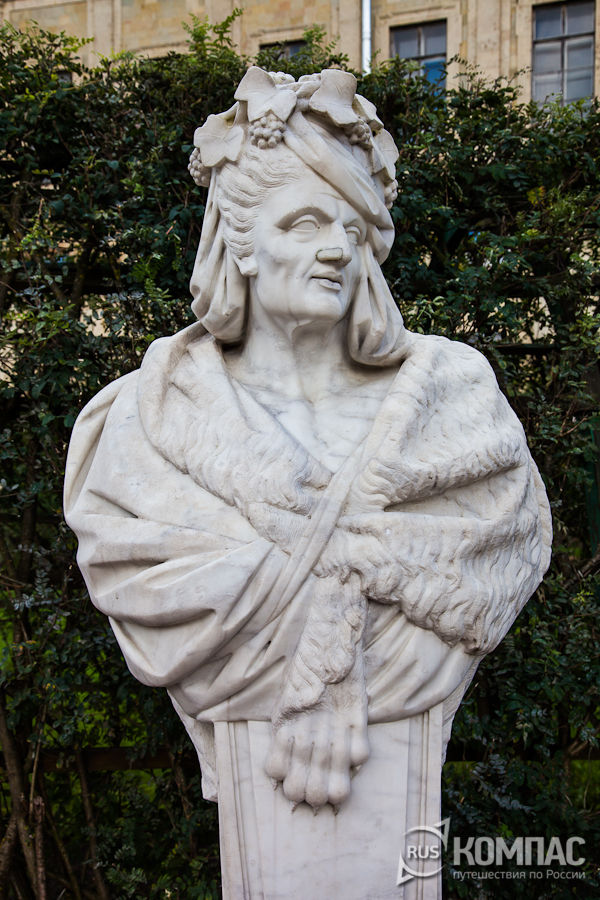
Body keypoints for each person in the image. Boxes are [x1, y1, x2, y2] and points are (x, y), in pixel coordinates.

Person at [64, 68, 552, 813]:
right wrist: (347, 603)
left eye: (352, 231)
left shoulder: (457, 402)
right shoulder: (143, 420)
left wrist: (326, 618)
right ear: (241, 241)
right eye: (304, 224)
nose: (337, 251)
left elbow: (499, 554)